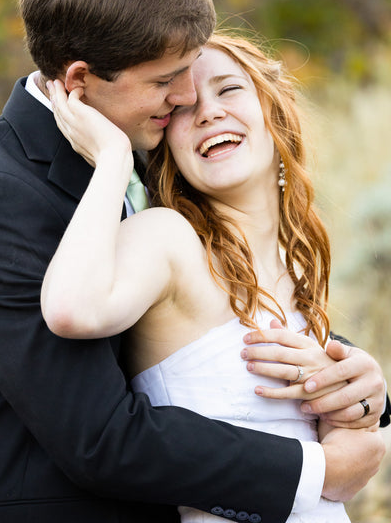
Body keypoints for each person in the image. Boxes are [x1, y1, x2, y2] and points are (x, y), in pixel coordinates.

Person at [0, 0, 387, 523]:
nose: (185, 99)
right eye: (167, 82)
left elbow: (216, 312)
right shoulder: (0, 194)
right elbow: (99, 437)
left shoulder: (149, 137)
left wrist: (351, 375)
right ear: (80, 83)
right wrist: (316, 471)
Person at [40, 32, 385, 522]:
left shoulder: (297, 260)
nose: (208, 112)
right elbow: (72, 309)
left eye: (228, 90)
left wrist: (362, 404)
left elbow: (335, 452)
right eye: (183, 107)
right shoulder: (167, 239)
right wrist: (113, 162)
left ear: (274, 113)